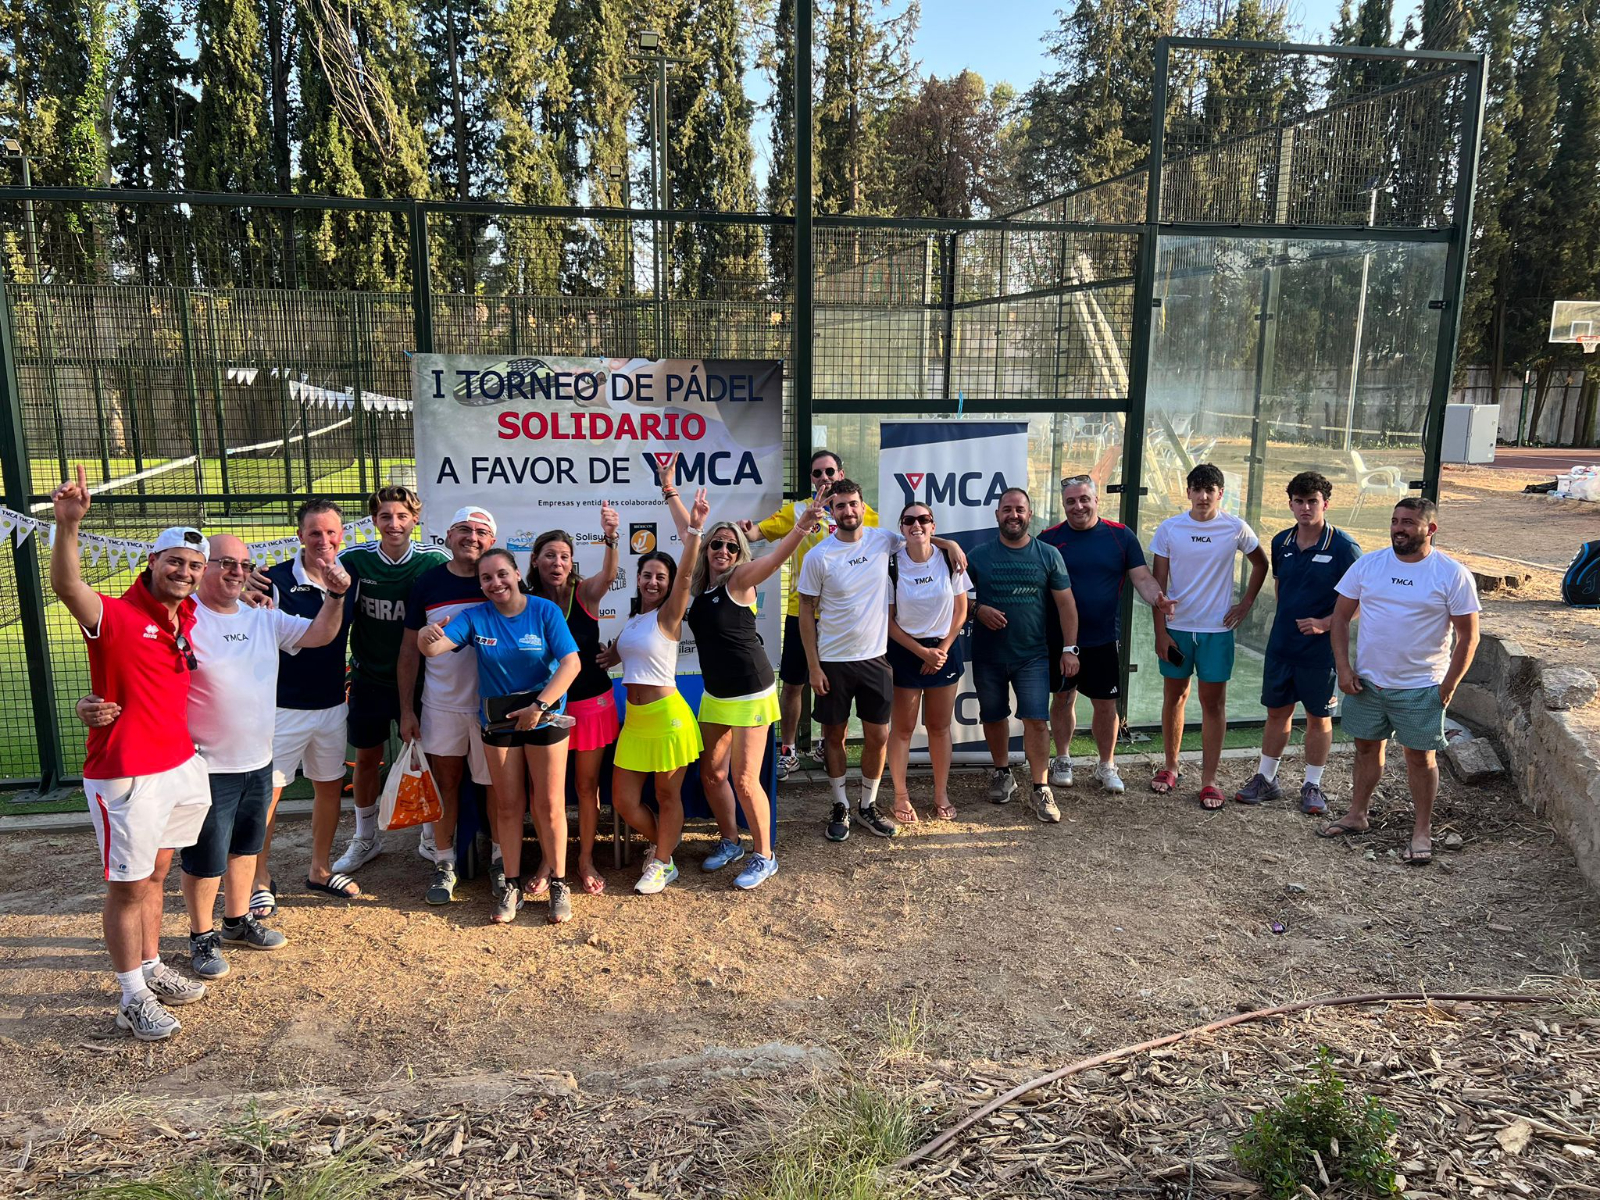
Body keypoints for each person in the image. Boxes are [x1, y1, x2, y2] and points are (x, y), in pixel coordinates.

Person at [49, 466, 211, 1040]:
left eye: (194, 566)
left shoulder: (186, 615)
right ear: (152, 561)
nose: (185, 572)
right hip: (126, 773)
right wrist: (68, 525)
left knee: (157, 873)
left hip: (180, 764)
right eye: (175, 561)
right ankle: (131, 996)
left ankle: (149, 964)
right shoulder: (116, 615)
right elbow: (68, 587)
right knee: (126, 885)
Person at [176, 535, 349, 978]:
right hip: (206, 763)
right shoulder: (183, 618)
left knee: (245, 848)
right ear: (202, 568)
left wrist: (334, 596)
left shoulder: (262, 617)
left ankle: (236, 921)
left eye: (243, 564)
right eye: (226, 563)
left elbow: (320, 634)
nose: (236, 571)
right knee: (204, 858)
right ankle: (202, 936)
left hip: (257, 757)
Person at [675, 468, 825, 889]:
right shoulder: (700, 588)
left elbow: (775, 558)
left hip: (751, 691)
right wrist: (674, 493)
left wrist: (800, 527)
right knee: (712, 774)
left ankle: (765, 855)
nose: (721, 549)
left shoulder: (741, 580)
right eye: (715, 545)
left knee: (744, 778)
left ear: (739, 552)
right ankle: (730, 841)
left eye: (730, 545)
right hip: (715, 693)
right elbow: (688, 535)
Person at [419, 548, 582, 923]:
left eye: (502, 574)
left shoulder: (544, 611)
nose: (495, 583)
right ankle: (511, 885)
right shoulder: (475, 617)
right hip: (498, 724)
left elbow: (571, 663)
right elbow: (434, 647)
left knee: (549, 804)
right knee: (508, 807)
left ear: (516, 574)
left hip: (543, 718)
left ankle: (559, 883)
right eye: (486, 579)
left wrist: (538, 707)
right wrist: (428, 638)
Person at [797, 480, 965, 841]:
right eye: (840, 506)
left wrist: (947, 542)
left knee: (879, 736)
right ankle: (840, 804)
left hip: (876, 660)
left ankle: (867, 806)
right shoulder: (818, 556)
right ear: (832, 511)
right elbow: (806, 610)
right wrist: (813, 666)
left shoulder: (882, 539)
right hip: (833, 661)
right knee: (834, 736)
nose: (848, 511)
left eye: (853, 504)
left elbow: (918, 536)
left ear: (863, 504)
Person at [1317, 498, 1479, 865]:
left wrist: (1449, 685)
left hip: (1422, 686)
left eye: (1408, 522)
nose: (1398, 528)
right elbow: (1340, 619)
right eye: (1394, 521)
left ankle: (1422, 830)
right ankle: (1358, 814)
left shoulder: (1451, 574)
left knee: (1420, 758)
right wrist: (1344, 668)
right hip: (1368, 683)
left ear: (1430, 529)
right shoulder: (1369, 565)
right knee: (1365, 749)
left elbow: (1469, 637)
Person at [330, 485, 450, 878]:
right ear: (374, 521)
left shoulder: (435, 561)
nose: (394, 524)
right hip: (370, 675)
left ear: (416, 519)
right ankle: (366, 837)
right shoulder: (355, 560)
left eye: (402, 516)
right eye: (385, 516)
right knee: (366, 758)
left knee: (428, 756)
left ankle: (430, 834)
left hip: (422, 680)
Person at [740, 448, 879, 778]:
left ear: (840, 474)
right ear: (811, 479)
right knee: (793, 685)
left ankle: (826, 742)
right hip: (801, 613)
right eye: (817, 474)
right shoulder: (799, 510)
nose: (824, 478)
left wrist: (946, 544)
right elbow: (758, 533)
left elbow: (892, 543)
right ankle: (788, 749)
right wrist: (747, 529)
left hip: (843, 618)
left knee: (838, 684)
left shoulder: (863, 512)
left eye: (830, 471)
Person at [1234, 473, 1362, 815]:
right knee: (1277, 713)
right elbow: (1281, 590)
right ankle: (1266, 779)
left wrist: (1324, 624)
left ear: (1325, 504)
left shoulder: (1344, 547)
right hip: (1281, 647)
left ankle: (1312, 785)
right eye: (1299, 501)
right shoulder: (1281, 542)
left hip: (1321, 653)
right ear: (1290, 503)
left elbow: (1362, 602)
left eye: (1312, 501)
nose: (1305, 508)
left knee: (1319, 717)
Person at [1039, 475, 1174, 795]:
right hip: (1059, 641)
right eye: (1071, 501)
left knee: (1105, 704)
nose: (1078, 506)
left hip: (1102, 638)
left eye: (1084, 499)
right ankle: (1063, 759)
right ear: (1063, 504)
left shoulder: (1120, 536)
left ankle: (1106, 764)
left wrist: (1158, 597)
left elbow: (1142, 577)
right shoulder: (1048, 539)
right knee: (1062, 698)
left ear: (1097, 500)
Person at [1148, 463, 1269, 809]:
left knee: (1213, 704)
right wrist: (1161, 633)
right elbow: (1158, 588)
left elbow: (1261, 564)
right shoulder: (1170, 529)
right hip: (1178, 629)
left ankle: (1209, 781)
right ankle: (1171, 767)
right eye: (1196, 489)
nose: (1203, 496)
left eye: (1210, 489)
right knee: (1175, 697)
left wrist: (1245, 603)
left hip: (1217, 632)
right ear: (1187, 493)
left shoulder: (1235, 528)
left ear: (1220, 493)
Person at [399, 506, 502, 905]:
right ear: (447, 534)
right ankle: (444, 863)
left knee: (496, 788)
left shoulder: (501, 582)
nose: (471, 537)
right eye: (463, 529)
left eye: (480, 531)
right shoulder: (427, 583)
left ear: (492, 541)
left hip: (494, 707)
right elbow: (409, 652)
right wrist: (407, 710)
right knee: (447, 787)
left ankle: (500, 859)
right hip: (441, 706)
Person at [605, 491, 708, 894]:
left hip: (667, 718)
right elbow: (609, 657)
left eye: (659, 577)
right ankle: (665, 842)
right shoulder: (633, 622)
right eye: (646, 574)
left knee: (667, 795)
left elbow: (686, 575)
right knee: (624, 801)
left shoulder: (668, 616)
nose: (652, 581)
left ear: (667, 586)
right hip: (635, 723)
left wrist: (696, 528)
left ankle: (663, 862)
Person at [522, 505, 622, 897]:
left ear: (572, 562)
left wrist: (611, 537)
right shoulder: (525, 600)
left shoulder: (584, 593)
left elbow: (611, 574)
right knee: (548, 792)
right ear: (535, 561)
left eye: (564, 556)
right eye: (549, 555)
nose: (557, 562)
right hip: (545, 707)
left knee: (585, 786)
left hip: (591, 703)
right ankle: (551, 858)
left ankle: (583, 860)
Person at [260, 499, 355, 908]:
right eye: (314, 532)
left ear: (342, 536)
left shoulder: (351, 579)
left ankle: (319, 869)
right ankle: (257, 879)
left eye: (330, 532)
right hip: (282, 707)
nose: (323, 540)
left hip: (332, 705)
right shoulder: (273, 581)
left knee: (329, 788)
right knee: (269, 794)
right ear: (299, 536)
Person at [965, 487, 1080, 824]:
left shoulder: (1048, 554)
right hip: (988, 655)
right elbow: (954, 600)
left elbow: (1066, 604)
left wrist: (1070, 649)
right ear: (997, 515)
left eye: (1019, 509)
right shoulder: (979, 556)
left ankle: (1040, 787)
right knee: (994, 716)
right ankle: (1003, 773)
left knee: (1036, 720)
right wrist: (978, 609)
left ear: (1030, 515)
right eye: (1006, 510)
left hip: (1033, 655)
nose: (1013, 515)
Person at [885, 502, 970, 823]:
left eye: (924, 519)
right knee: (903, 730)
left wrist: (942, 649)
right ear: (902, 526)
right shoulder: (892, 564)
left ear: (934, 526)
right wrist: (922, 653)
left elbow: (961, 611)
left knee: (939, 727)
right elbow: (889, 622)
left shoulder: (950, 561)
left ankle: (940, 794)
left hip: (944, 652)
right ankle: (900, 796)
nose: (916, 525)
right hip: (906, 652)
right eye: (909, 520)